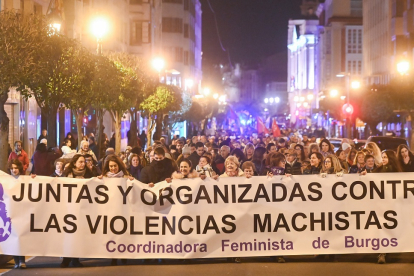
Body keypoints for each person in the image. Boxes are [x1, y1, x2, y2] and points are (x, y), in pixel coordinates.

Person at [8, 159, 30, 269]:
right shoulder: (6, 180)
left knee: (20, 236)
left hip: (21, 212)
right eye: (12, 168)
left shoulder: (24, 179)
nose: (14, 170)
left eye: (16, 168)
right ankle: (16, 261)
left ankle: (22, 260)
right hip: (10, 212)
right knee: (13, 237)